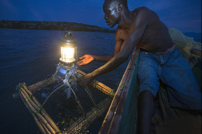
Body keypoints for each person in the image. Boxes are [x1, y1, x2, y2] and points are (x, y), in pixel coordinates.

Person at [77, 0, 201, 133]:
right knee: (146, 86)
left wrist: (92, 75)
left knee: (193, 99)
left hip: (170, 53)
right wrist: (94, 57)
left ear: (119, 7)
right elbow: (116, 57)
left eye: (107, 12)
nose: (104, 17)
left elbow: (123, 56)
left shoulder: (143, 14)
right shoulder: (119, 33)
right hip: (148, 55)